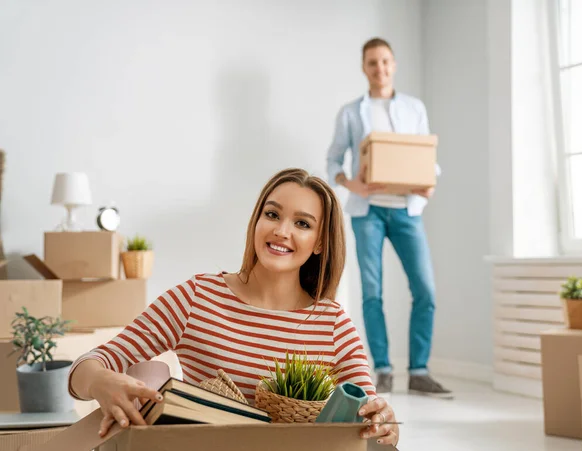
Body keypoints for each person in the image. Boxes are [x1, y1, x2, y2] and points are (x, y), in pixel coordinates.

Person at [68, 168, 400, 447]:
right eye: (272, 215)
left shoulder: (332, 325)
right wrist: (99, 382)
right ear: (256, 222)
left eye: (302, 223)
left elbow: (371, 420)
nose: (281, 231)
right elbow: (87, 366)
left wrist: (386, 425)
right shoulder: (198, 297)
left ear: (320, 243)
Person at [326, 37, 452, 399]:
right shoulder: (351, 113)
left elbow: (425, 154)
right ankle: (381, 369)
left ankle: (419, 371)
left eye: (384, 62)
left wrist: (430, 182)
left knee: (425, 289)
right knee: (372, 292)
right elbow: (333, 160)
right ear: (364, 68)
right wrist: (352, 184)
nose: (379, 69)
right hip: (368, 213)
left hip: (407, 210)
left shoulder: (414, 109)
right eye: (371, 63)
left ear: (393, 64)